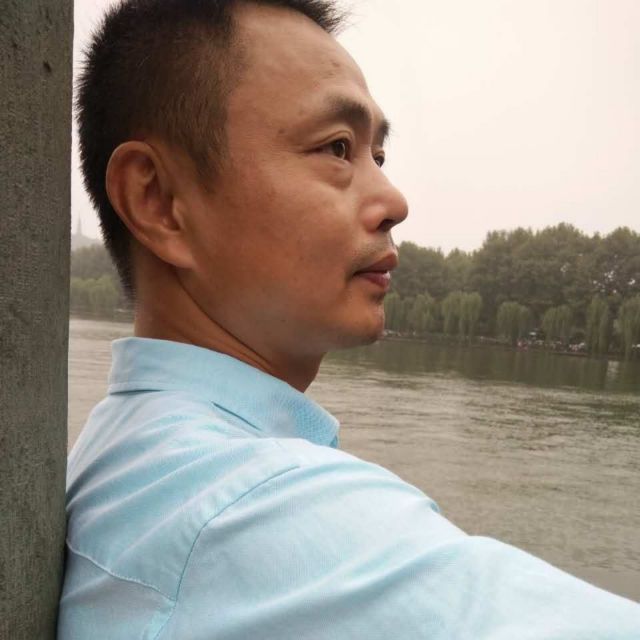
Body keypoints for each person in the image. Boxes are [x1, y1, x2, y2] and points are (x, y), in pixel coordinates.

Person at [59, 1, 640, 637]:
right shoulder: (253, 510)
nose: (393, 200)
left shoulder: (130, 454)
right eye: (337, 148)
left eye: (377, 156)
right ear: (159, 201)